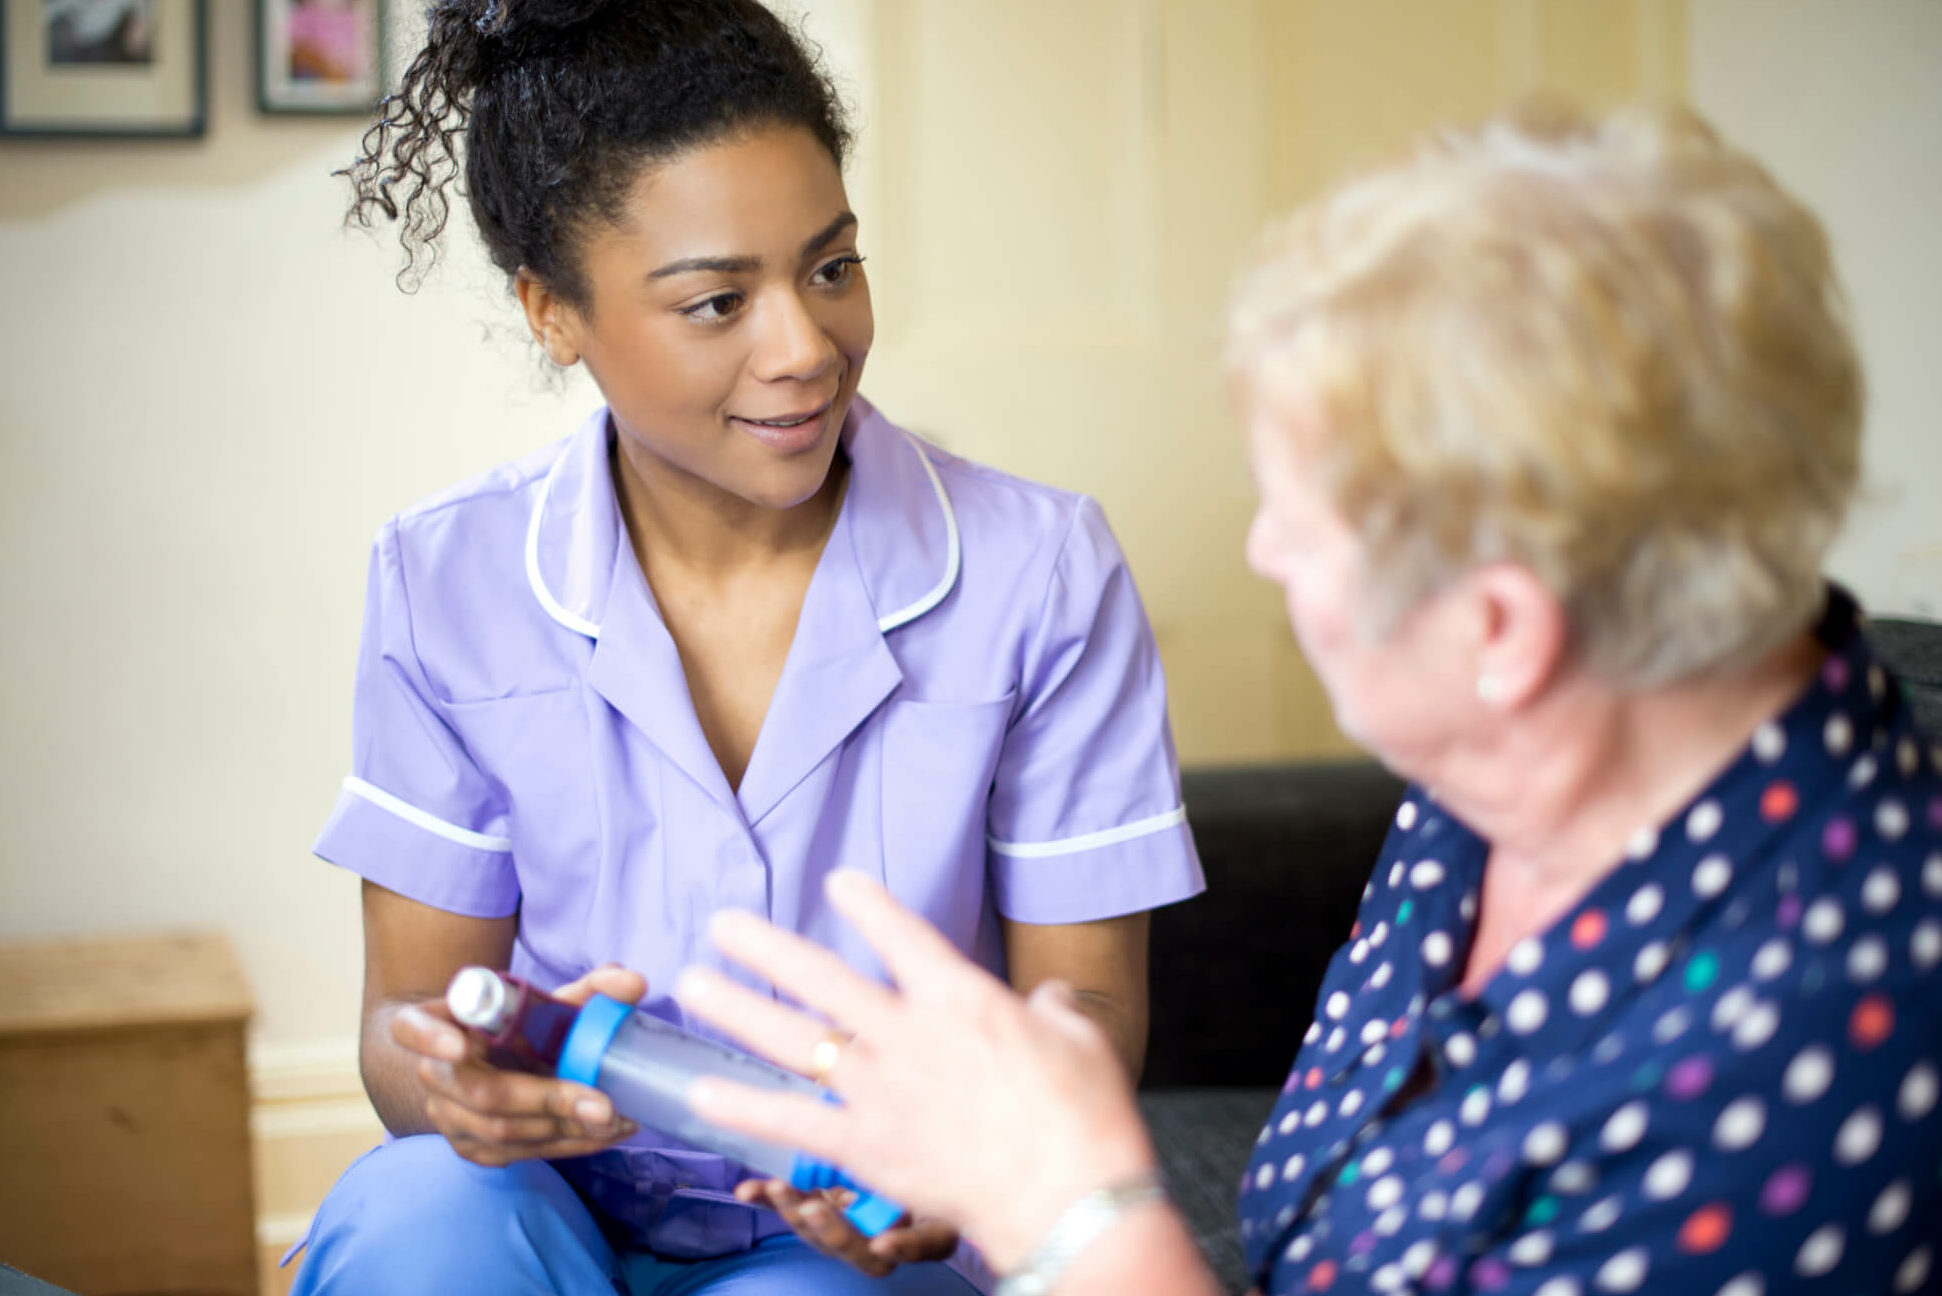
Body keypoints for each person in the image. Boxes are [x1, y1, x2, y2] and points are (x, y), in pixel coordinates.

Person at [674, 101, 1942, 1295]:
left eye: (1300, 516)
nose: (1263, 551)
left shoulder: (1825, 1040)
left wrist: (1068, 1210)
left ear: (1498, 628)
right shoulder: (1505, 765)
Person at [288, 2, 1204, 1293]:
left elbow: (1090, 1008)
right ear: (552, 312)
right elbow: (408, 1026)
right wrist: (454, 1091)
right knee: (416, 1212)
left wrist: (965, 1163)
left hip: (851, 1233)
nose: (805, 347)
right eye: (717, 301)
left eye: (831, 267)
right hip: (546, 1202)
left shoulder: (1038, 573)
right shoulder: (447, 577)